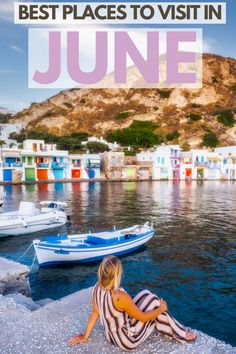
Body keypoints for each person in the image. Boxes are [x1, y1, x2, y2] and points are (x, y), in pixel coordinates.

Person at [68, 256, 197, 351]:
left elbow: (95, 312)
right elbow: (143, 317)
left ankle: (176, 329)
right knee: (155, 304)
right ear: (117, 275)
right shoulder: (120, 296)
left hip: (110, 335)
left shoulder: (96, 288)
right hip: (127, 340)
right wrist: (162, 308)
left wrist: (85, 336)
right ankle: (180, 333)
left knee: (147, 294)